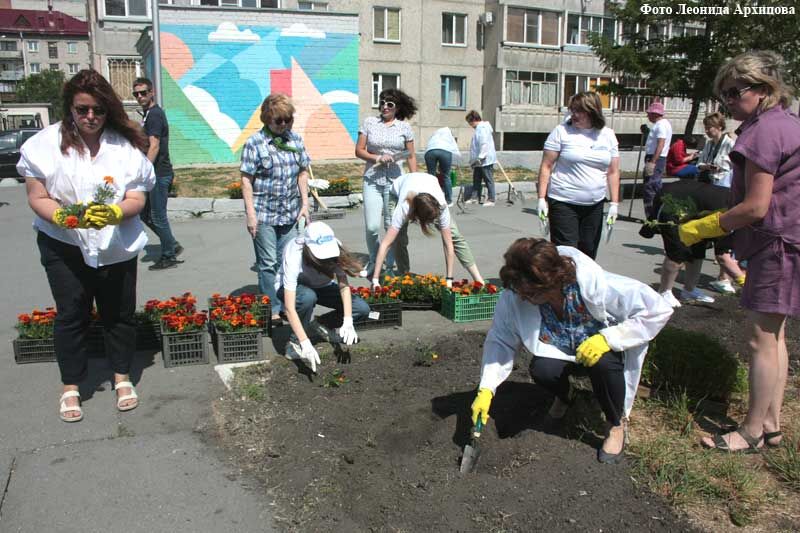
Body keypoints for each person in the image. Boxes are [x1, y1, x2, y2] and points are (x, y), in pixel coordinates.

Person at [678, 50, 800, 452]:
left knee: (760, 340)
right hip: (788, 240)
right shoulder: (787, 123)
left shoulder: (762, 131)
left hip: (775, 244)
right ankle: (771, 423)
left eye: (734, 93)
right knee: (775, 336)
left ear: (763, 90)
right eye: (724, 95)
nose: (728, 102)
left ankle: (749, 432)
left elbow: (755, 206)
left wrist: (707, 226)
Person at [19, 69, 155, 422]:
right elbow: (38, 196)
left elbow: (136, 198)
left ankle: (122, 377)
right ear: (70, 109)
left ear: (108, 109)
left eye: (98, 109)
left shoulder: (123, 147)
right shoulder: (43, 145)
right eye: (82, 110)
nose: (91, 117)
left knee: (118, 314)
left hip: (115, 244)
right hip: (63, 243)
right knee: (71, 314)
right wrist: (62, 217)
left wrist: (114, 212)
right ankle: (71, 386)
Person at [470, 239, 673, 463]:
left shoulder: (595, 284)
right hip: (563, 351)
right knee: (542, 369)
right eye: (521, 292)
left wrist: (609, 339)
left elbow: (658, 310)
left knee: (603, 363)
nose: (523, 298)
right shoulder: (518, 294)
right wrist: (486, 389)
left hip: (600, 353)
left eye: (529, 293)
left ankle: (615, 425)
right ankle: (566, 397)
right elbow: (501, 338)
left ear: (551, 282)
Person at [241, 93, 311, 325]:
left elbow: (302, 171)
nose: (284, 125)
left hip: (290, 213)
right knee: (268, 263)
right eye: (279, 121)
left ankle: (288, 305)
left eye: (288, 120)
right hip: (264, 214)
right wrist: (251, 214)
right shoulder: (255, 143)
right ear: (267, 119)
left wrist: (305, 203)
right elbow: (246, 180)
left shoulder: (296, 141)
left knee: (288, 262)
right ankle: (272, 306)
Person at [536, 92, 621, 260]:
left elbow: (613, 171)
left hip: (594, 204)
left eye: (578, 111)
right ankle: (566, 285)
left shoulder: (607, 135)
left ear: (592, 112)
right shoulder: (561, 132)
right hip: (563, 201)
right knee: (567, 252)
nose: (573, 115)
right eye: (572, 110)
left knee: (588, 250)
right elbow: (546, 166)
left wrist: (614, 203)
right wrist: (541, 198)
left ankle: (584, 285)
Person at [277, 222, 369, 372]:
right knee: (307, 297)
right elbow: (289, 307)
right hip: (294, 290)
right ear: (307, 247)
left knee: (362, 308)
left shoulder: (335, 247)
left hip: (322, 287)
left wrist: (347, 321)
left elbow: (343, 286)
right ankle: (293, 343)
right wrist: (305, 343)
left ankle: (320, 324)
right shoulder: (294, 253)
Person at [369, 172, 485, 287]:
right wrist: (375, 280)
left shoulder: (441, 206)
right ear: (418, 217)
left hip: (427, 185)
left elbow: (448, 244)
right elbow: (386, 244)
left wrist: (449, 279)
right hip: (397, 192)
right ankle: (404, 275)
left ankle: (479, 280)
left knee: (455, 236)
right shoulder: (404, 207)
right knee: (398, 238)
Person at [355, 88, 418, 277]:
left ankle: (389, 266)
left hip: (396, 182)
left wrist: (413, 180)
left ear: (397, 107)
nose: (384, 106)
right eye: (381, 102)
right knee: (372, 227)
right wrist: (377, 158)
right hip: (373, 179)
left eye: (389, 104)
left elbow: (411, 155)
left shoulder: (404, 128)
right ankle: (374, 261)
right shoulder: (369, 123)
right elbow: (359, 150)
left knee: (391, 226)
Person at [648, 178, 728, 307]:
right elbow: (723, 257)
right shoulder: (732, 213)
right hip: (675, 200)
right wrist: (742, 280)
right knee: (677, 251)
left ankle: (689, 290)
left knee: (698, 251)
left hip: (699, 210)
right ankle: (664, 292)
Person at [132, 77, 183, 271]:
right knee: (145, 213)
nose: (140, 96)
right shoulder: (148, 114)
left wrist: (144, 171)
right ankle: (171, 243)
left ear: (151, 92)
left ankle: (169, 254)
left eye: (143, 92)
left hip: (159, 173)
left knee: (157, 215)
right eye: (136, 94)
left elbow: (154, 145)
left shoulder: (154, 115)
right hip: (156, 173)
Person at [697, 112, 745, 295]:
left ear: (719, 127)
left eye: (710, 127)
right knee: (713, 230)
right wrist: (705, 166)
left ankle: (725, 277)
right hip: (710, 187)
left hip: (726, 189)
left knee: (725, 232)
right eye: (706, 127)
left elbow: (739, 168)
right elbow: (700, 163)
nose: (708, 131)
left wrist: (721, 168)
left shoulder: (730, 144)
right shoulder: (709, 144)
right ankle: (723, 275)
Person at [642, 102, 672, 218]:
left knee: (650, 186)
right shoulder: (661, 125)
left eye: (649, 113)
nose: (648, 116)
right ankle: (656, 212)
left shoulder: (661, 125)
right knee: (654, 185)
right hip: (656, 157)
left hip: (656, 158)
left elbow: (661, 143)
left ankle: (652, 214)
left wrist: (653, 161)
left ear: (655, 113)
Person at [465, 110, 497, 206]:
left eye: (470, 122)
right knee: (476, 178)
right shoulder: (479, 128)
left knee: (488, 178)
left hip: (484, 159)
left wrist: (481, 157)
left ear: (474, 120)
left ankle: (491, 199)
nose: (470, 125)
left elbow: (484, 144)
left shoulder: (482, 128)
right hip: (479, 159)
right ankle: (474, 198)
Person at [424, 127, 460, 206]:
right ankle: (448, 201)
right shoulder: (449, 135)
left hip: (430, 151)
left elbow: (429, 144)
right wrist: (457, 163)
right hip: (445, 151)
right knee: (446, 176)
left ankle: (431, 200)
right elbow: (454, 148)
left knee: (431, 176)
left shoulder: (435, 134)